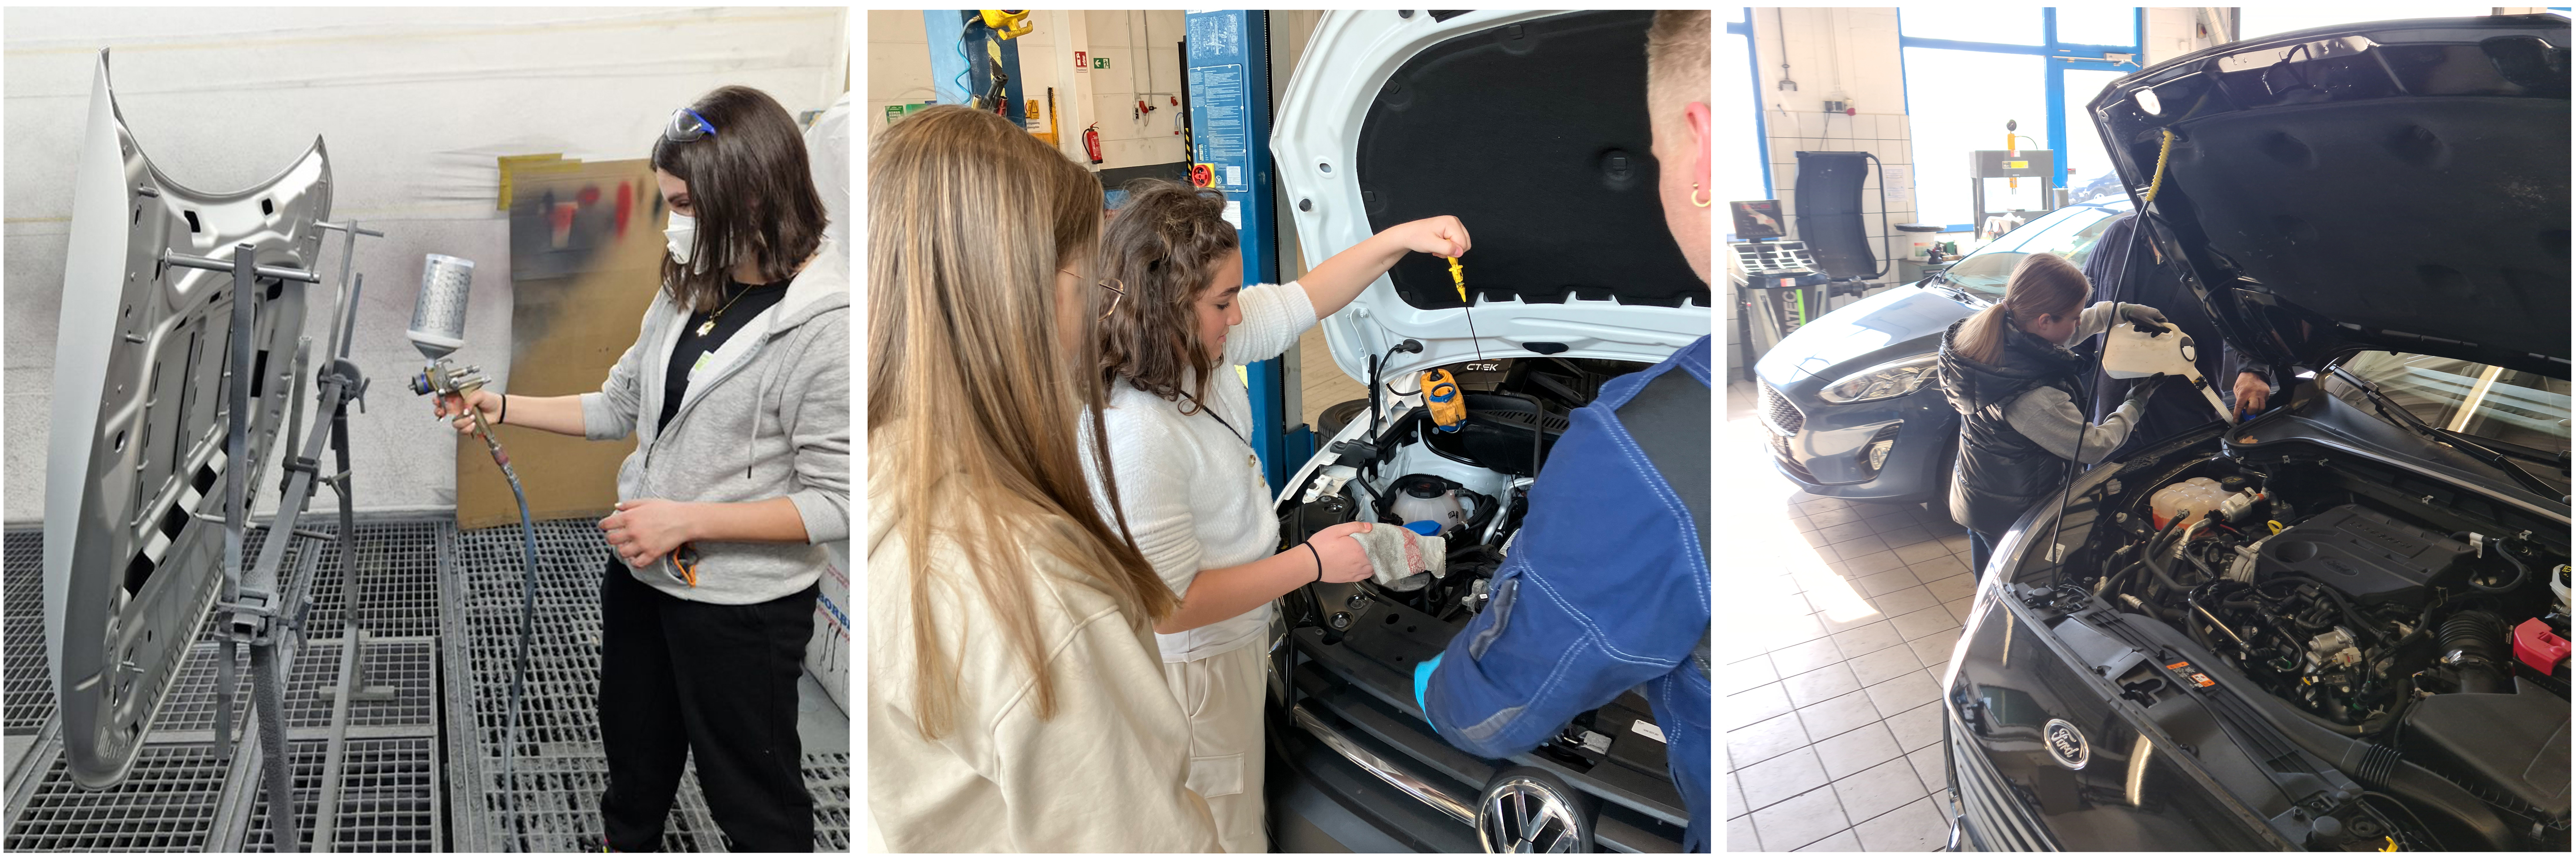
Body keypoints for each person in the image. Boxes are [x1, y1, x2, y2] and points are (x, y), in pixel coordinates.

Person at [433, 85, 847, 851]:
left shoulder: (825, 328)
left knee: (752, 796)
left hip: (740, 606)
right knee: (635, 761)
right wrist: (499, 404)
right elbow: (618, 403)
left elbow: (838, 501)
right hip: (643, 575)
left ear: (751, 195)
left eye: (686, 203)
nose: (674, 223)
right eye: (669, 203)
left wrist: (687, 518)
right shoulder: (690, 286)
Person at [863, 105, 1219, 851]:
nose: (1099, 304)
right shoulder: (1038, 595)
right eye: (1091, 276)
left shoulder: (878, 477)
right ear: (1035, 295)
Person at [1084, 178, 1470, 851]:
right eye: (1222, 301)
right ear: (1163, 304)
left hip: (1240, 632)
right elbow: (1169, 606)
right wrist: (1314, 562)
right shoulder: (1135, 433)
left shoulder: (1196, 348)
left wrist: (1400, 240)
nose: (1235, 317)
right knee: (1222, 829)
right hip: (1197, 668)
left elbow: (1305, 298)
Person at [1410, 10, 1716, 851]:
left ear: (1702, 145)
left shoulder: (1640, 447)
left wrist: (1438, 686)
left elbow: (1501, 702)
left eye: (1654, 160)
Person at [1938, 251, 2171, 573]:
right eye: (2075, 315)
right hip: (2014, 512)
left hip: (1980, 494)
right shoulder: (2033, 397)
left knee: (1987, 582)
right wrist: (2134, 404)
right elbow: (2093, 444)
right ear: (2044, 320)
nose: (2079, 322)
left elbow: (2065, 332)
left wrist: (2117, 312)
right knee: (2020, 590)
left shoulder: (1997, 332)